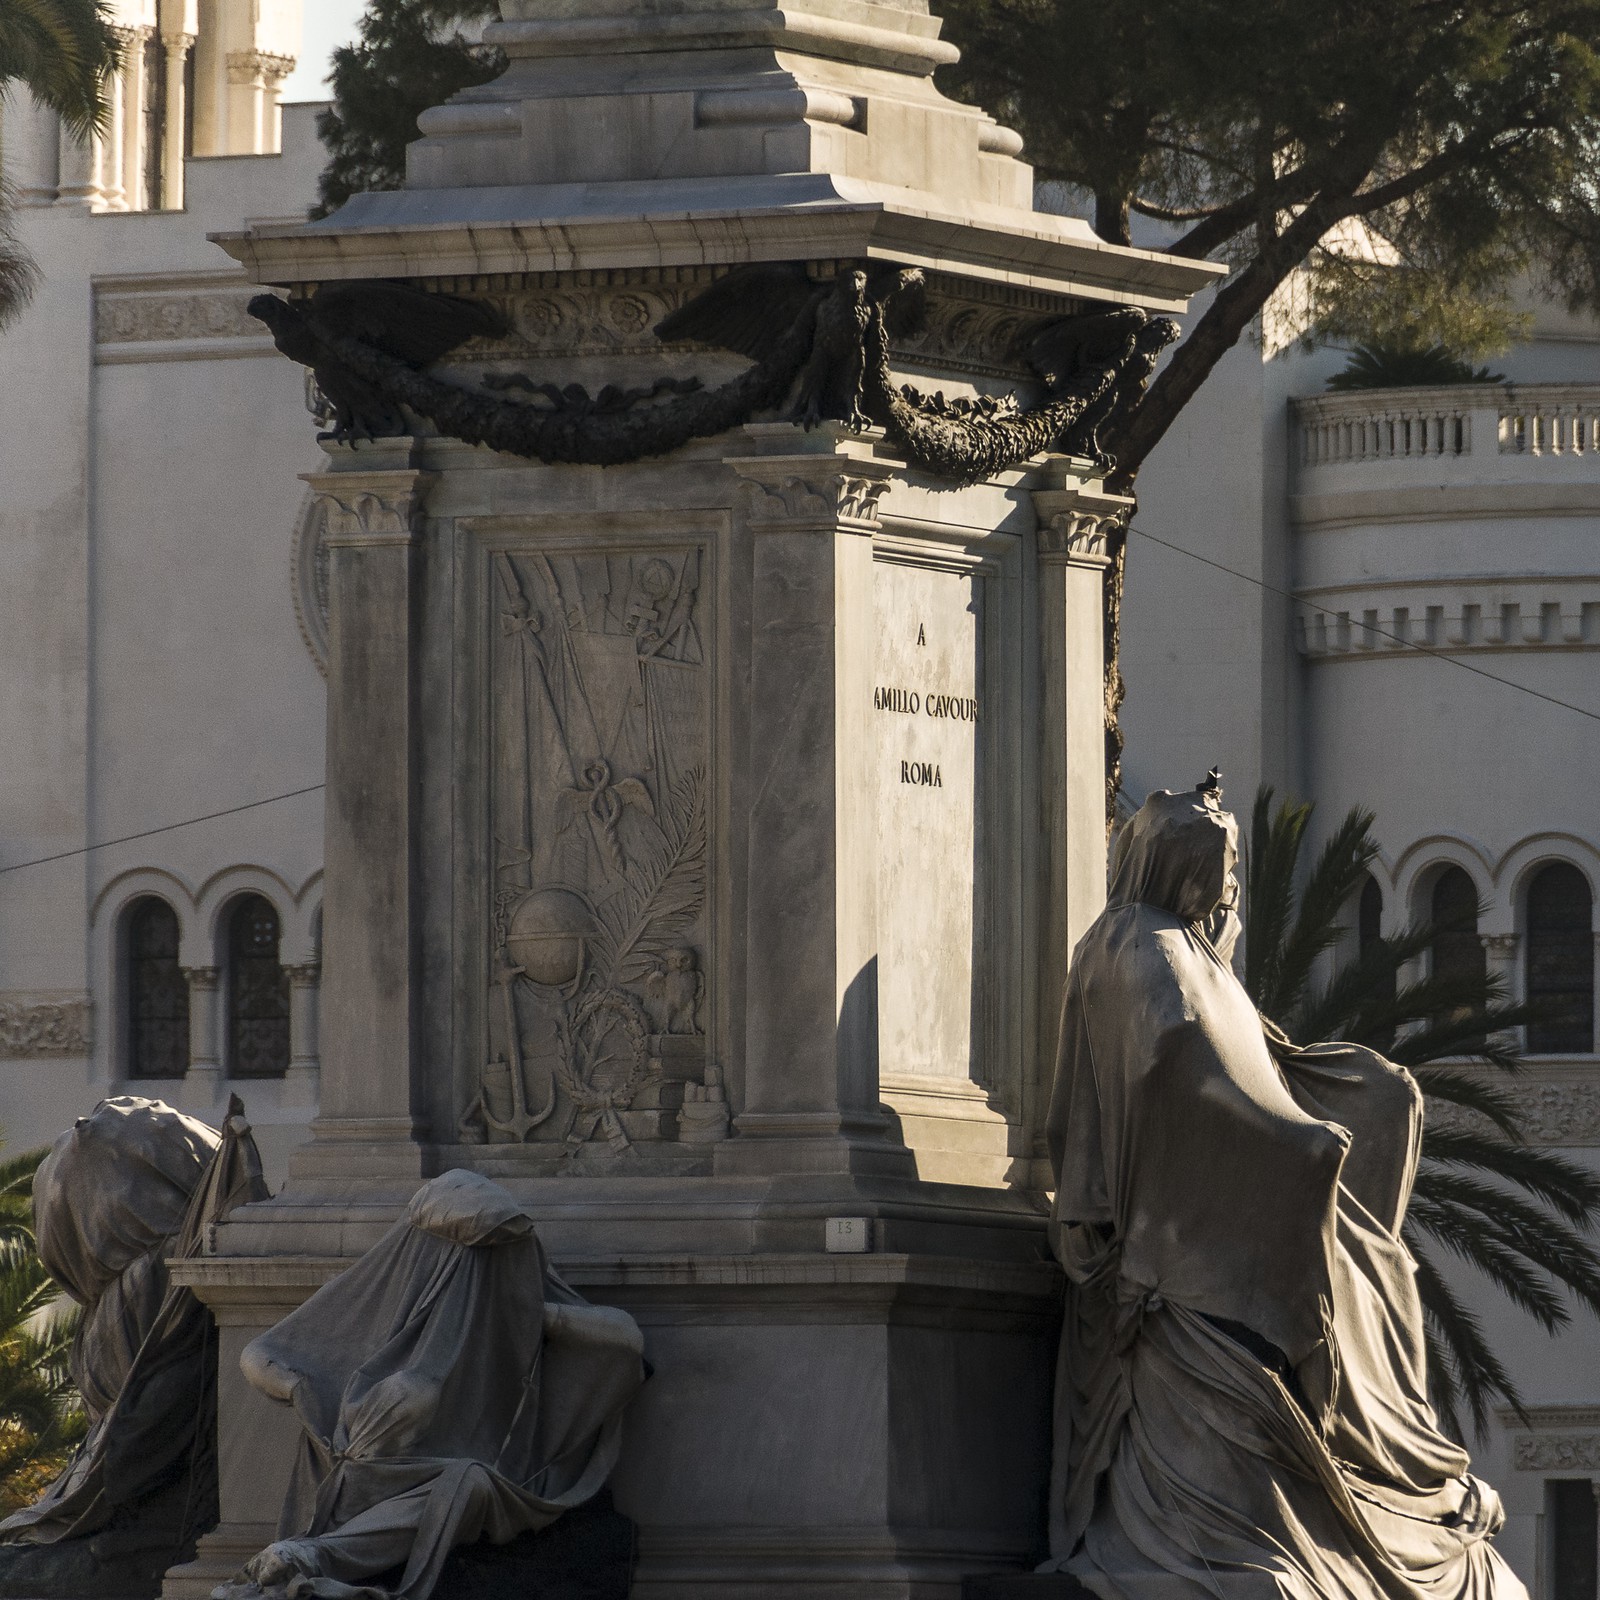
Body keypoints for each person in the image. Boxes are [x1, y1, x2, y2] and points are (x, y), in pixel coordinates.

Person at [1041, 779, 1527, 1599]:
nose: (1232, 888)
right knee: (1355, 1261)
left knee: (1382, 1265)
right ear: (1179, 863)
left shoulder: (1190, 947)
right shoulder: (1140, 946)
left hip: (1236, 1178)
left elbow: (1268, 1057)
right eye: (1221, 868)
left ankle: (1395, 1483)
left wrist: (1364, 1098)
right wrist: (1288, 1138)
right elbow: (1181, 1060)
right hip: (1189, 1211)